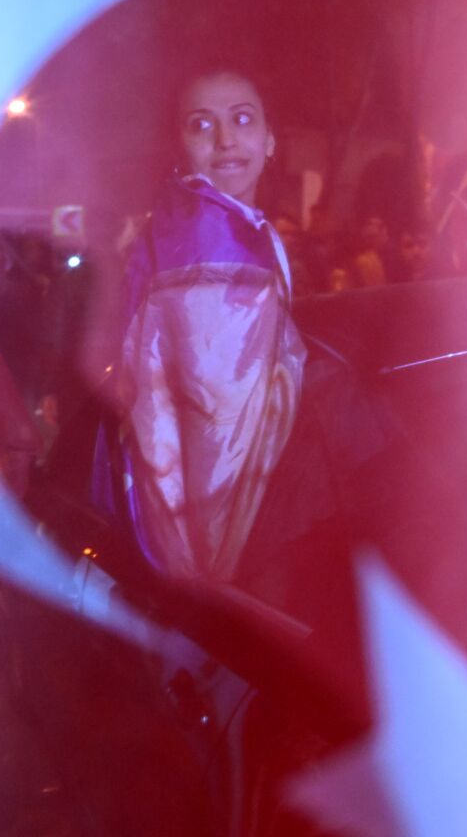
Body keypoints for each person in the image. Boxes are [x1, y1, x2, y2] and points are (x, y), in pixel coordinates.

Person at [113, 70, 306, 581]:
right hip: (231, 536)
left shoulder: (217, 225)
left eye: (242, 120)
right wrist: (220, 580)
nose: (225, 140)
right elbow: (219, 435)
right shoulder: (211, 243)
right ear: (180, 147)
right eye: (202, 125)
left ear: (269, 140)